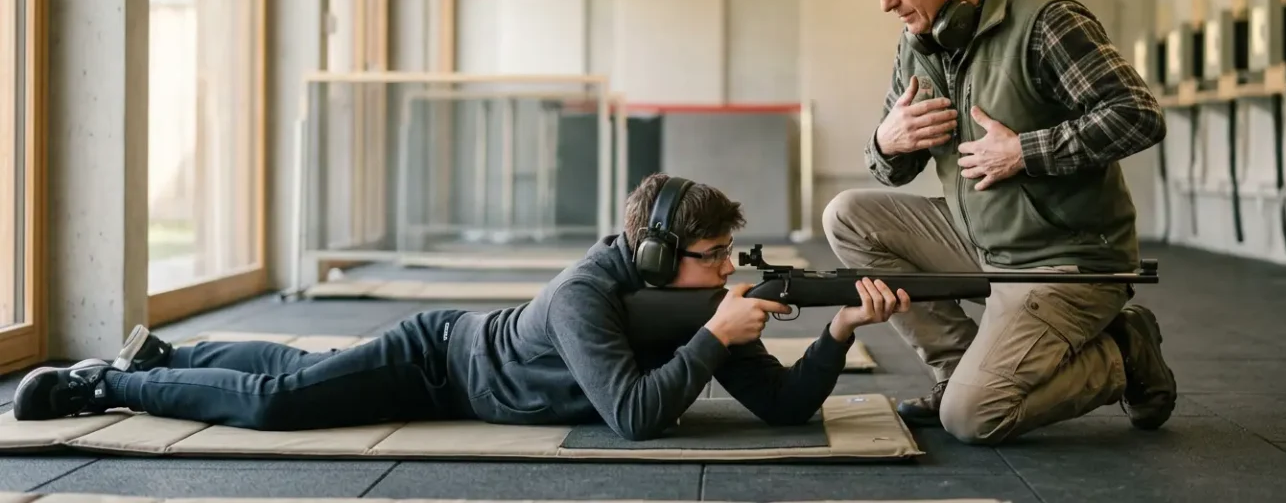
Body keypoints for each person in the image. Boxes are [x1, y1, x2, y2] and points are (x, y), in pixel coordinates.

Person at [14, 173, 911, 441]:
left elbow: (790, 409)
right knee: (281, 402)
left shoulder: (694, 309)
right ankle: (111, 387)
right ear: (650, 255)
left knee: (296, 370)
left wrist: (836, 333)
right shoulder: (587, 296)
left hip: (458, 387)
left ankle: (170, 358)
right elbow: (637, 416)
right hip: (437, 358)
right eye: (710, 259)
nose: (723, 274)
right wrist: (716, 336)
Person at [821, 0, 1176, 445]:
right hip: (978, 237)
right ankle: (958, 369)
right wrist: (886, 143)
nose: (887, 3)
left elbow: (1138, 116)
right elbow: (893, 173)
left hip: (1065, 259)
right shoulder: (917, 40)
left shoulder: (1047, 22)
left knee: (972, 419)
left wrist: (1026, 152)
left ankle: (1123, 355)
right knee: (847, 215)